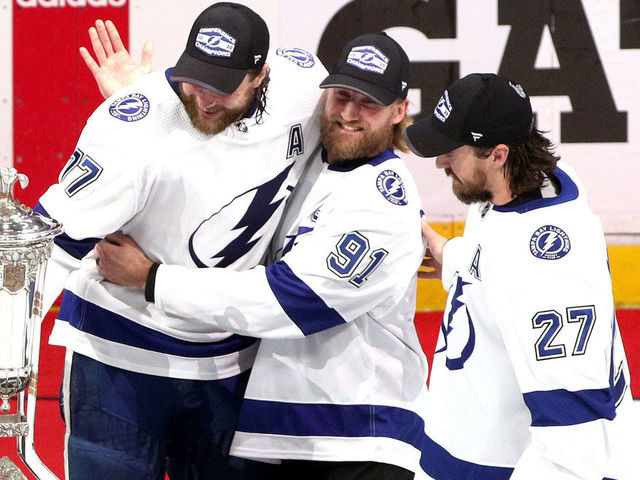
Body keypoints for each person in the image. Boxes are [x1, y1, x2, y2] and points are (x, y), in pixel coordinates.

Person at [94, 32, 431, 480]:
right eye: (342, 96)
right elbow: (223, 155)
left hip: (360, 439)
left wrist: (153, 279)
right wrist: (154, 109)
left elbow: (289, 301)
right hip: (290, 434)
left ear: (399, 111)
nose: (349, 113)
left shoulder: (383, 198)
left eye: (367, 103)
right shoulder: (309, 161)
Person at [36, 3, 327, 479]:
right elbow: (44, 248)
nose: (205, 99)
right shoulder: (129, 129)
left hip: (230, 361)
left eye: (224, 85)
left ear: (261, 75)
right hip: (116, 360)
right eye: (195, 78)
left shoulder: (303, 88)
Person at [403, 73, 635, 478]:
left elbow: (574, 442)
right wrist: (447, 254)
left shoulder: (550, 272)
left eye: (450, 152)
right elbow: (498, 265)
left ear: (497, 154)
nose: (440, 162)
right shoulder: (516, 188)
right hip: (460, 451)